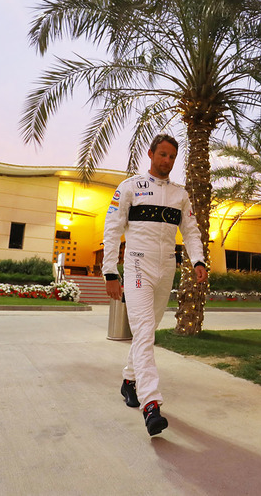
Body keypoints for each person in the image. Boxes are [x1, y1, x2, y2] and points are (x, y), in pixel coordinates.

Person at [103, 133, 208, 436]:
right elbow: (112, 229)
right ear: (150, 154)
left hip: (167, 269)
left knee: (148, 329)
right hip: (137, 264)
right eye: (162, 154)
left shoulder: (180, 194)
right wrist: (110, 271)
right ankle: (151, 404)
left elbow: (190, 231)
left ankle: (128, 381)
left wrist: (198, 260)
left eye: (172, 157)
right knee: (145, 330)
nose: (167, 161)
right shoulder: (130, 187)